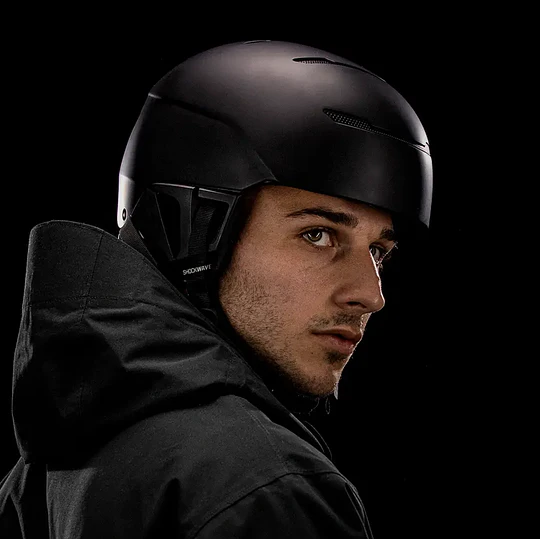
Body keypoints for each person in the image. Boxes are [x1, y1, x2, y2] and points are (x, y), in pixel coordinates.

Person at [0, 40, 433, 539]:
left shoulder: (44, 474)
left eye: (379, 252)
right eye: (318, 235)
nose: (371, 295)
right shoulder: (263, 488)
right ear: (196, 232)